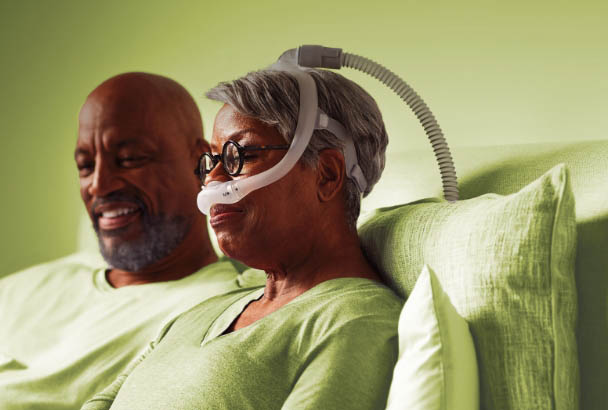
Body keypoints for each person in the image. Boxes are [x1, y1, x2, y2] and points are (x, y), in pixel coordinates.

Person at [82, 68, 403, 410]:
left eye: (242, 156)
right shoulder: (203, 313)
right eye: (212, 162)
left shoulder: (356, 322)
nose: (213, 182)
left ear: (327, 175)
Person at [0, 72, 257, 410]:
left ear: (201, 163)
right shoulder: (24, 288)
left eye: (130, 159)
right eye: (86, 166)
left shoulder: (225, 308)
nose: (100, 186)